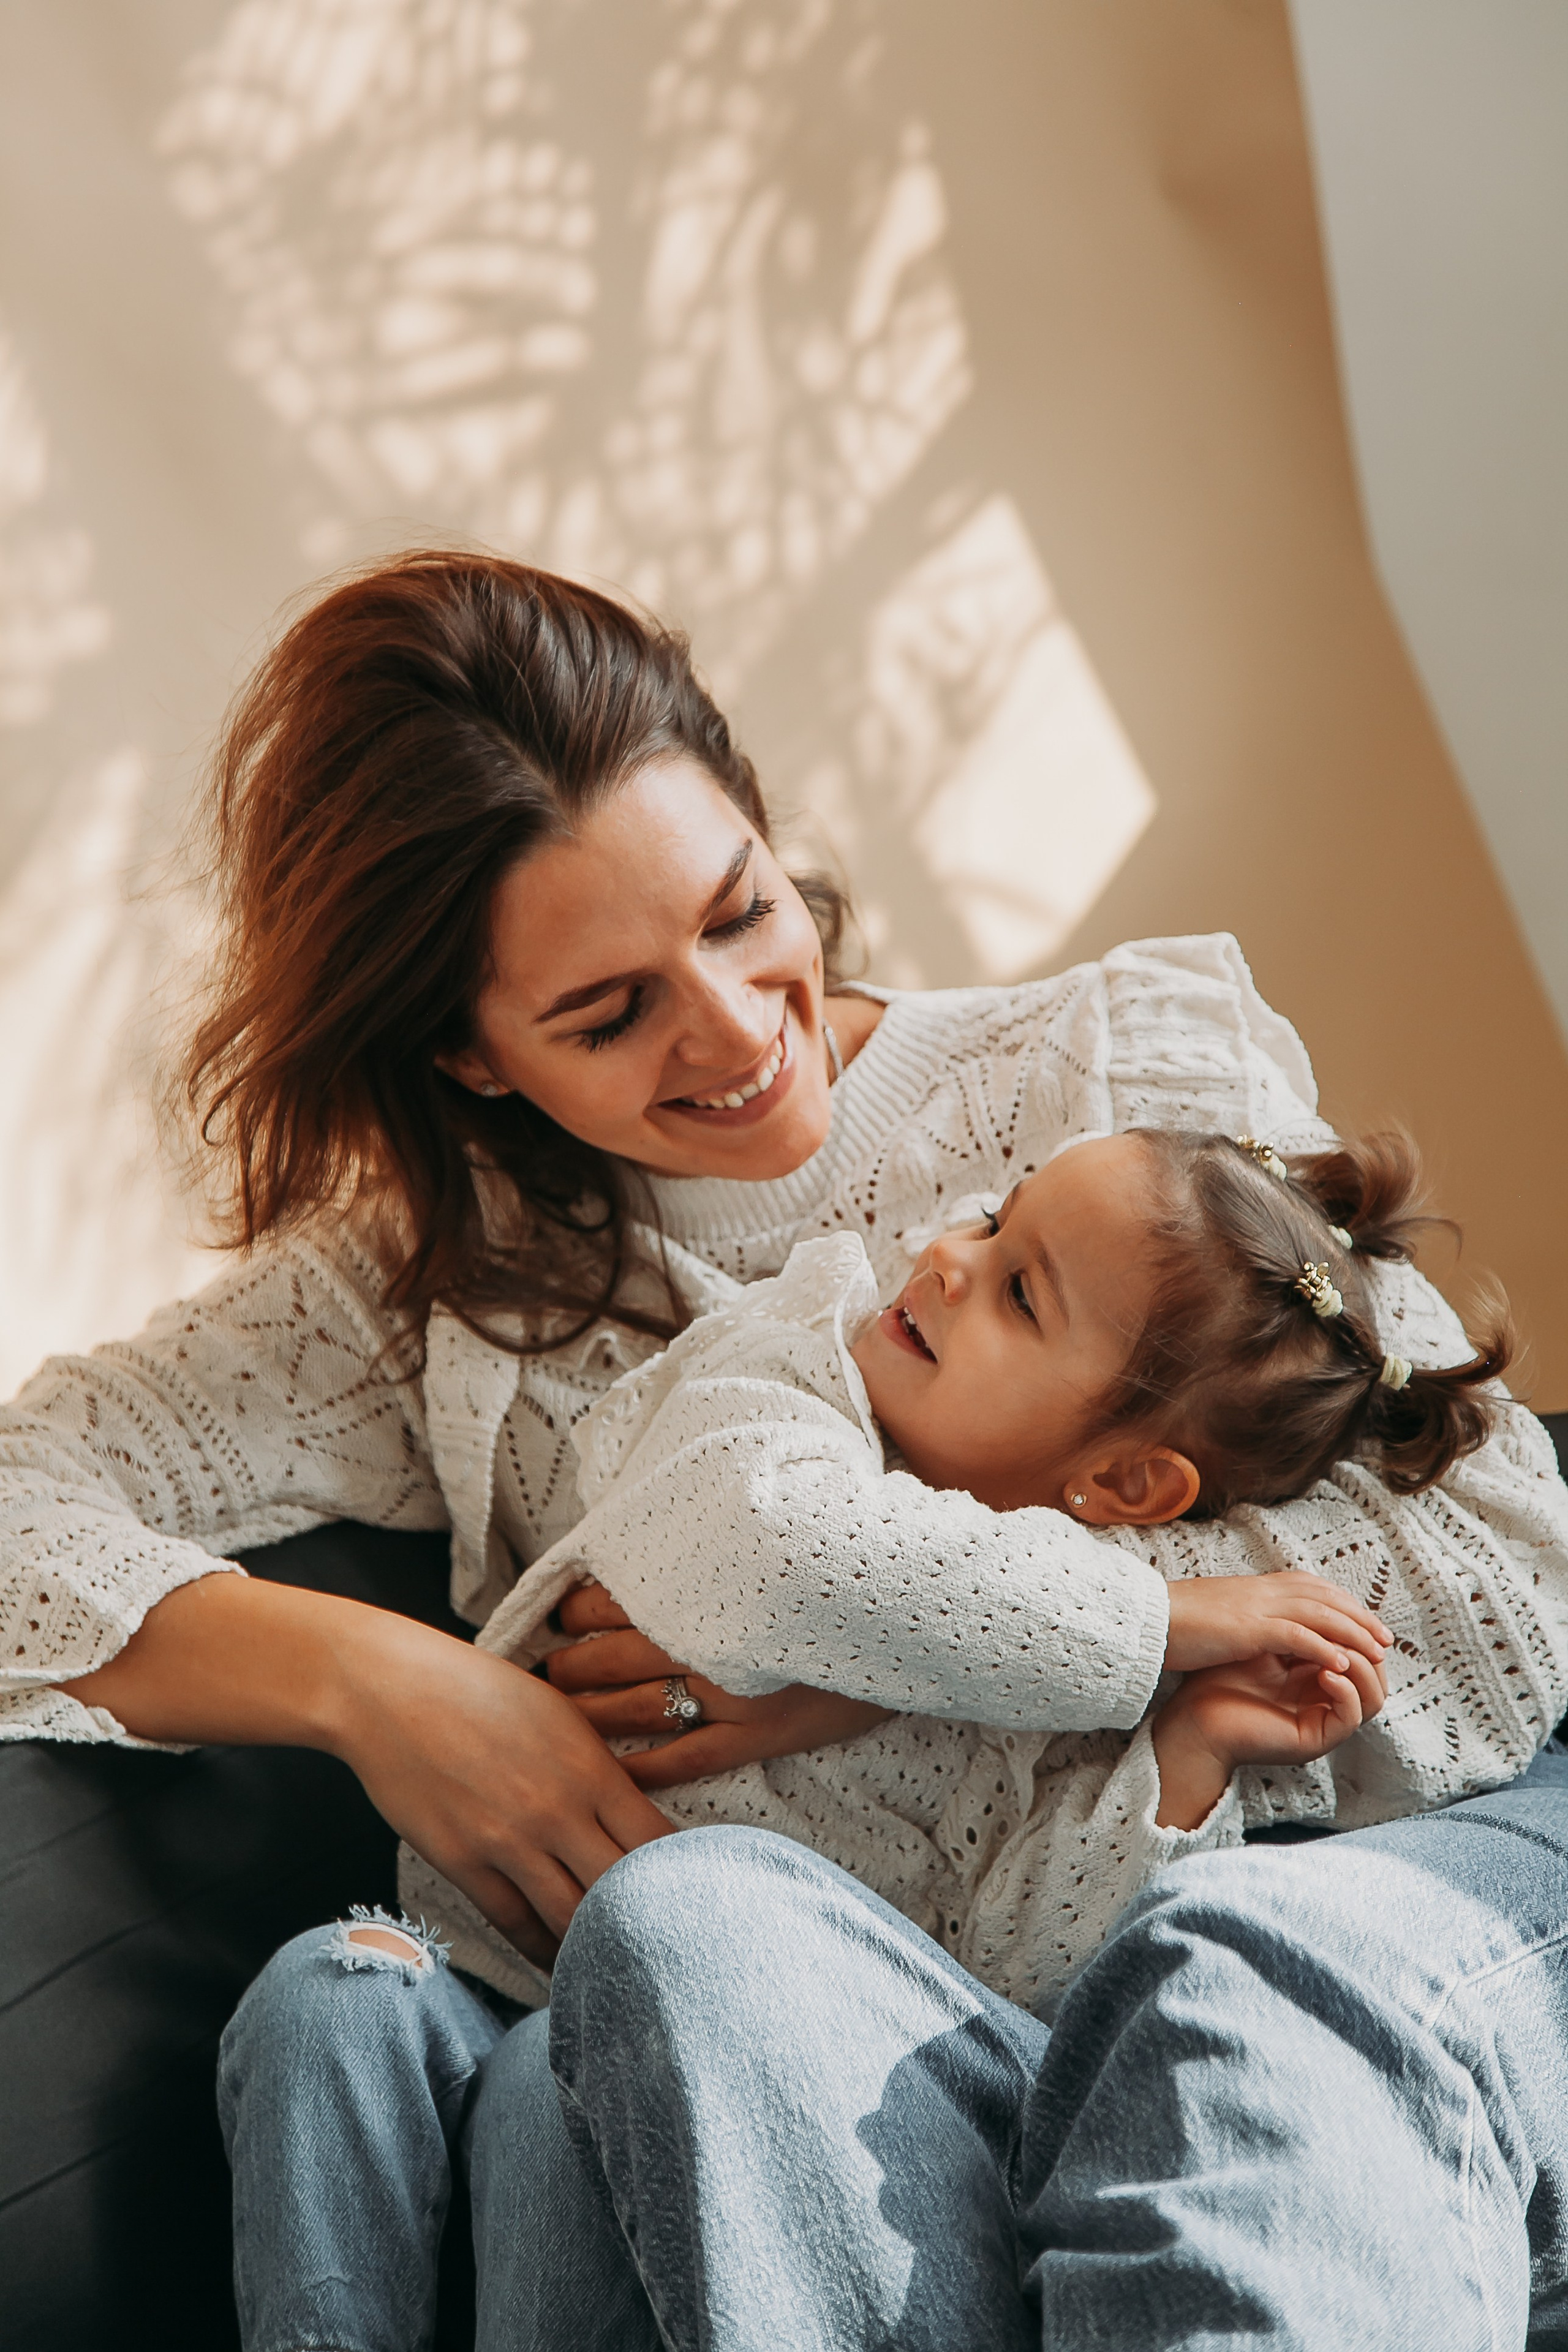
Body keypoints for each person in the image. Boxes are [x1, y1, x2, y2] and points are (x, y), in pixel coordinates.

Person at [4, 552, 1566, 2341]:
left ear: (758, 820)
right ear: (471, 1055)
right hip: (696, 2043)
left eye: (741, 913)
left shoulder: (1110, 1078)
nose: (742, 1034)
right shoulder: (409, 1301)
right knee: (514, 2054)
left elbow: (1496, 1568)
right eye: (608, 1013)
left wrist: (895, 1657)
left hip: (1133, 1935)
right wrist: (390, 1689)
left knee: (706, 1934)